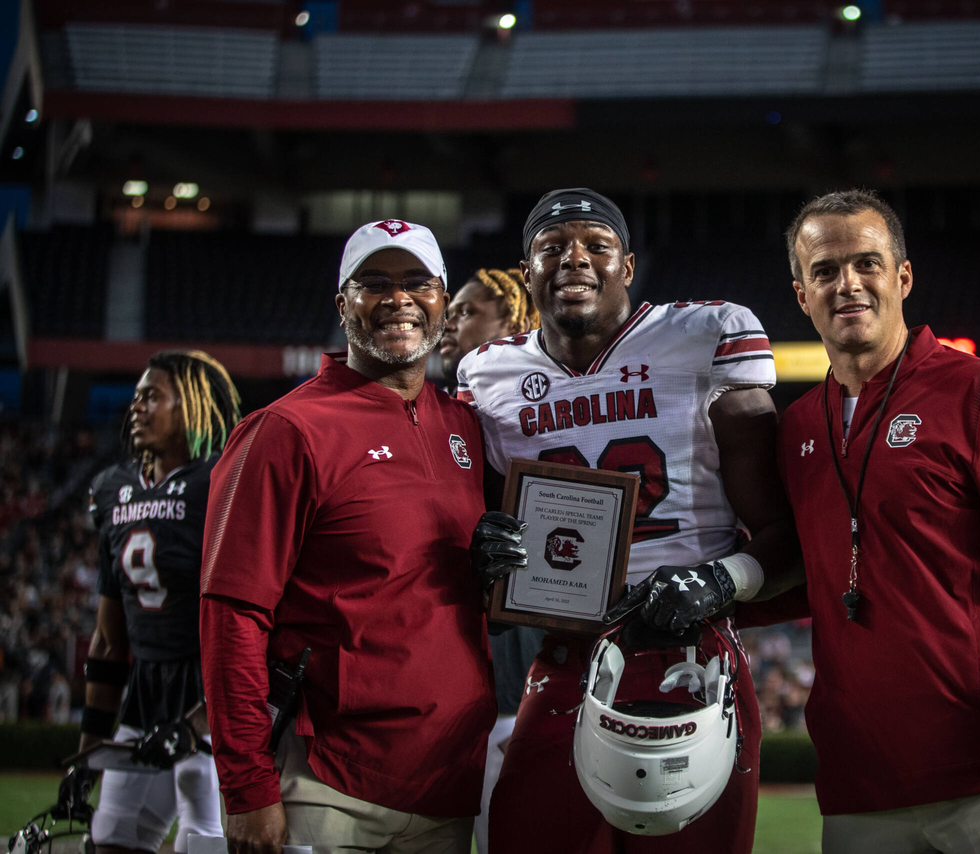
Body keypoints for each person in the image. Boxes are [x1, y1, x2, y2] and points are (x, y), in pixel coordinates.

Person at [459, 188, 799, 854]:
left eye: (596, 245)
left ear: (629, 265)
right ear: (527, 273)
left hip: (690, 655)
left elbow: (787, 538)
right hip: (563, 656)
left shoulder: (705, 335)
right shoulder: (488, 375)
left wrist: (719, 582)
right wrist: (487, 550)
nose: (573, 260)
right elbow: (488, 554)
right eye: (551, 248)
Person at [780, 189, 980, 853]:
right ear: (802, 294)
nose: (849, 284)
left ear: (903, 276)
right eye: (826, 271)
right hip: (861, 786)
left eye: (867, 263)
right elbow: (788, 573)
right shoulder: (800, 426)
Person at [199, 219, 495, 854]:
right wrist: (247, 787)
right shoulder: (285, 430)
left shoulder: (467, 426)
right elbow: (231, 615)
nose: (399, 299)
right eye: (374, 283)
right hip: (328, 784)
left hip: (447, 787)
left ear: (443, 298)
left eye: (418, 282)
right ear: (343, 303)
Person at [81, 350, 241, 854]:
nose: (137, 407)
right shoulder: (114, 490)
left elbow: (255, 618)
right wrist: (87, 753)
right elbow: (109, 641)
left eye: (153, 396)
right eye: (135, 397)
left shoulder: (222, 482)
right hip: (145, 690)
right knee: (112, 837)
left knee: (205, 840)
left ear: (194, 405)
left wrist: (203, 717)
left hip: (214, 688)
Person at [439, 266, 545, 854]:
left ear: (512, 317)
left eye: (468, 310)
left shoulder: (528, 413)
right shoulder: (439, 411)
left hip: (518, 660)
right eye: (450, 311)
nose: (451, 319)